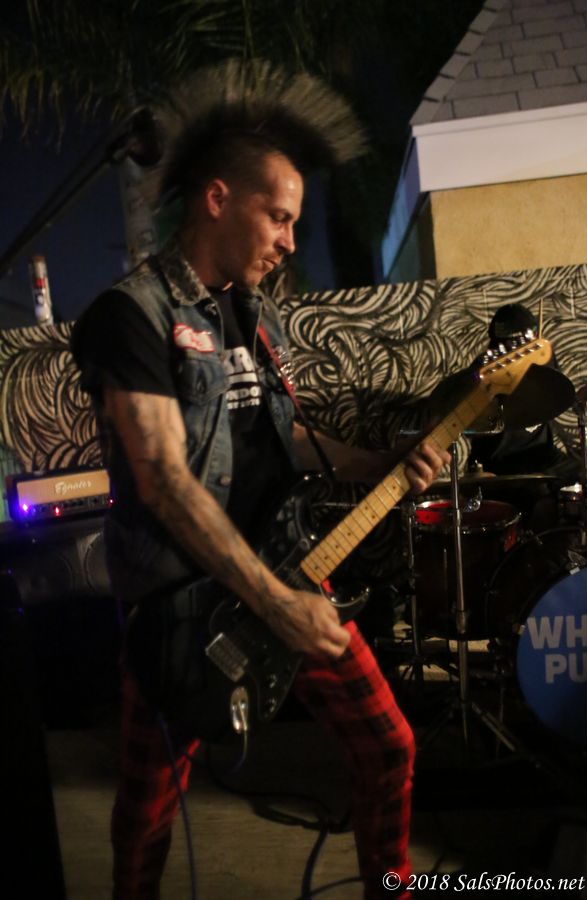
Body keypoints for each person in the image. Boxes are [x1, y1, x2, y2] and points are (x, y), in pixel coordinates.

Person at [71, 71, 449, 900]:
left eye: (294, 223)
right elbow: (165, 482)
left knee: (388, 747)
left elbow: (286, 439)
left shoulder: (256, 316)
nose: (288, 241)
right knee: (148, 815)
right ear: (218, 199)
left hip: (287, 571)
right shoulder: (132, 314)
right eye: (278, 217)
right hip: (186, 610)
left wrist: (377, 463)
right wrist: (276, 607)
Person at [468, 303, 587, 479]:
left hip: (543, 455)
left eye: (531, 340)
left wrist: (579, 400)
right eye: (515, 344)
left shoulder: (542, 357)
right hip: (499, 462)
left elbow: (552, 400)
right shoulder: (484, 369)